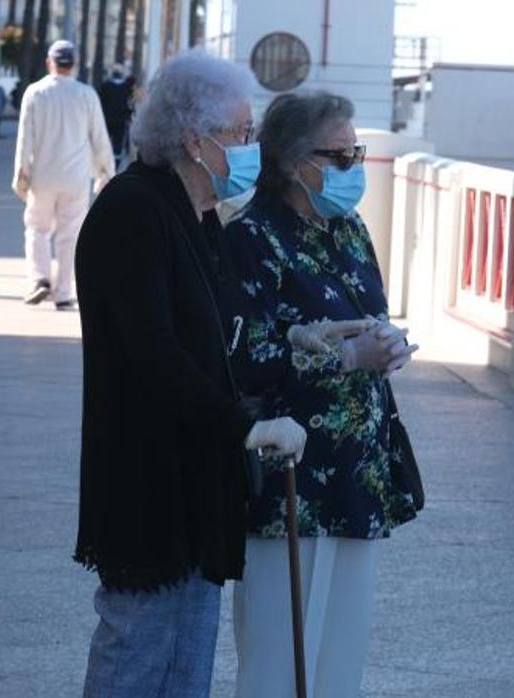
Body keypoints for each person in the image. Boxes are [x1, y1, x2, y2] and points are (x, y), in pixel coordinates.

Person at [74, 51, 308, 698]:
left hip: (198, 470)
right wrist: (243, 427)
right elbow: (151, 351)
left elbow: (222, 336)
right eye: (238, 134)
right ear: (191, 140)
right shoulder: (132, 210)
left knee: (187, 652)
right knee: (138, 644)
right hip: (146, 467)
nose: (249, 147)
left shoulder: (202, 215)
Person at [218, 91, 420, 698]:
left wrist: (382, 343)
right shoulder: (250, 237)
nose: (352, 168)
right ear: (291, 161)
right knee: (279, 654)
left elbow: (368, 311)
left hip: (356, 473)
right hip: (290, 477)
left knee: (341, 650)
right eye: (339, 156)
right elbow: (246, 360)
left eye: (356, 153)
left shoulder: (349, 229)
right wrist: (343, 358)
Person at [13, 40, 114, 310]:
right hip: (76, 179)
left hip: (42, 177)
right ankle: (63, 293)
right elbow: (100, 139)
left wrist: (21, 177)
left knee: (37, 229)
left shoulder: (35, 93)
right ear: (75, 65)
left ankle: (39, 279)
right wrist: (106, 172)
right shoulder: (86, 94)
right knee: (70, 236)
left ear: (50, 63)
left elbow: (25, 140)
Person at [96, 63, 135, 164]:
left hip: (106, 120)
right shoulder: (127, 88)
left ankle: (104, 162)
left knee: (105, 143)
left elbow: (100, 102)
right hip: (121, 121)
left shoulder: (105, 86)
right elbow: (130, 104)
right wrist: (130, 115)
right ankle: (115, 165)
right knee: (117, 146)